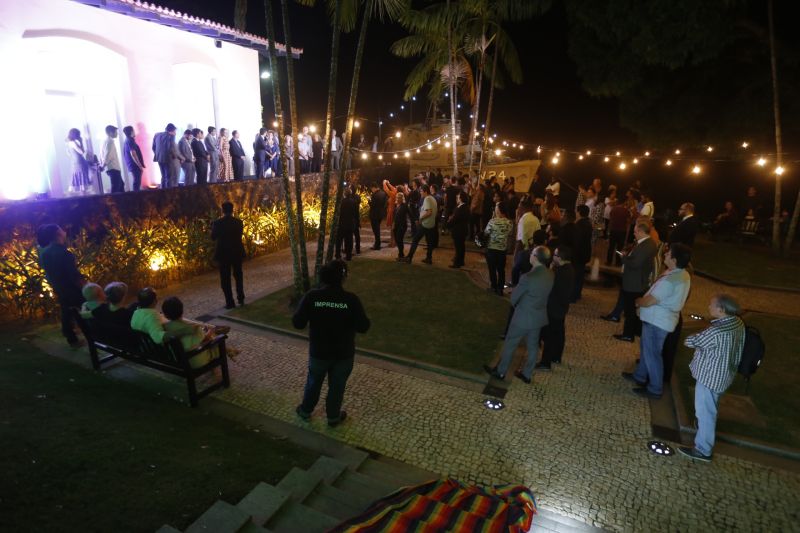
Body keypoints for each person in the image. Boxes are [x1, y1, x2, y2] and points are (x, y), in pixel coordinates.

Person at [294, 260, 370, 426]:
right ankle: (333, 417)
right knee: (337, 386)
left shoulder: (312, 297)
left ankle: (306, 410)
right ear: (343, 278)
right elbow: (363, 326)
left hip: (319, 352)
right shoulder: (351, 300)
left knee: (313, 381)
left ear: (322, 277)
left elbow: (298, 323)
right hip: (343, 354)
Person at [678, 294, 746, 462]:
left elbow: (691, 341)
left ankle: (703, 449)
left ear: (721, 310)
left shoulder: (716, 332)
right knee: (711, 407)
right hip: (725, 374)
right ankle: (702, 430)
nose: (709, 306)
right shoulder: (738, 322)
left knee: (706, 413)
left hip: (710, 376)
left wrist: (696, 337)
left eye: (711, 305)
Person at [623, 244, 692, 399]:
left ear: (674, 260)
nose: (665, 254)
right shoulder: (682, 274)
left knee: (653, 354)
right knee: (648, 350)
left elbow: (649, 301)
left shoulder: (671, 280)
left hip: (657, 322)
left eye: (669, 254)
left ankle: (655, 388)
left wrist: (638, 301)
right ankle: (640, 376)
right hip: (661, 320)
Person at [485, 246, 554, 383]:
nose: (530, 255)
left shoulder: (528, 277)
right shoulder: (550, 274)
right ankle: (527, 374)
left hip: (523, 317)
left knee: (510, 344)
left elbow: (514, 298)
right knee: (533, 346)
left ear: (535, 257)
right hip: (538, 316)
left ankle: (501, 371)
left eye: (532, 253)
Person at [37, 224, 85, 347]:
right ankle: (96, 336)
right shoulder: (65, 254)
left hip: (59, 288)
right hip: (72, 289)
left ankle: (71, 338)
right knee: (88, 308)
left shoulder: (45, 253)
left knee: (67, 311)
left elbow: (48, 272)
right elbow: (73, 275)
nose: (64, 231)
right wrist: (85, 287)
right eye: (62, 229)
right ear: (58, 233)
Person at [613, 221, 657, 342]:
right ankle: (636, 331)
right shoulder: (647, 243)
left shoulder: (646, 245)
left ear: (642, 232)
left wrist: (624, 258)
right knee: (634, 309)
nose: (634, 234)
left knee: (630, 311)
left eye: (636, 231)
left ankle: (628, 334)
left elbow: (635, 263)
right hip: (637, 281)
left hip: (634, 283)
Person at [536, 245, 575, 370]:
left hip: (554, 308)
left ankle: (545, 362)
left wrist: (551, 269)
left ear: (560, 257)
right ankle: (556, 356)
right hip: (561, 307)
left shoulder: (560, 272)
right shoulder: (569, 269)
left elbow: (550, 285)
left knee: (549, 336)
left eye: (555, 255)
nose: (552, 257)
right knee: (558, 333)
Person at [211, 202, 246, 309]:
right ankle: (241, 298)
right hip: (236, 252)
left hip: (224, 254)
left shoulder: (217, 223)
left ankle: (230, 302)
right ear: (232, 210)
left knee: (225, 279)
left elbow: (213, 237)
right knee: (238, 276)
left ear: (222, 210)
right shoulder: (238, 222)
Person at [403, 184, 438, 265]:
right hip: (431, 224)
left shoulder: (427, 199)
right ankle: (429, 259)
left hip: (425, 224)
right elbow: (435, 212)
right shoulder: (433, 198)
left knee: (415, 240)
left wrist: (420, 218)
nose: (420, 193)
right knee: (429, 243)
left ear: (425, 191)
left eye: (421, 191)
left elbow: (429, 212)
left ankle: (409, 257)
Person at [484, 202, 514, 295]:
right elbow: (510, 233)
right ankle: (500, 289)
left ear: (499, 210)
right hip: (502, 249)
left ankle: (493, 286)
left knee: (492, 269)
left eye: (496, 207)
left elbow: (486, 233)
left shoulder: (492, 221)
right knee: (501, 269)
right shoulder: (509, 222)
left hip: (492, 248)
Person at [511, 199, 541, 286]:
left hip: (523, 250)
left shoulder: (523, 219)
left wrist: (516, 254)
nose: (518, 209)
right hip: (534, 250)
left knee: (519, 270)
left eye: (519, 207)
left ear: (523, 208)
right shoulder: (536, 219)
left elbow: (520, 239)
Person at [571, 204, 593, 302]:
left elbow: (577, 241)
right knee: (579, 275)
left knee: (576, 275)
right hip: (584, 253)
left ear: (579, 212)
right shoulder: (588, 223)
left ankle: (573, 295)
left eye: (576, 211)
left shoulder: (580, 225)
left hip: (578, 254)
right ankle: (577, 293)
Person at [447, 191, 470, 268]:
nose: (457, 198)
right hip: (460, 230)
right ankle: (460, 261)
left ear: (461, 198)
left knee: (459, 247)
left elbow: (456, 218)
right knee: (461, 247)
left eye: (458, 197)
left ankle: (457, 263)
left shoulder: (463, 207)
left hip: (459, 230)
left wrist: (449, 223)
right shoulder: (461, 206)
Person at [335, 188, 358, 261]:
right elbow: (356, 214)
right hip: (350, 224)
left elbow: (338, 213)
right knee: (349, 240)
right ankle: (348, 255)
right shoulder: (354, 202)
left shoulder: (341, 202)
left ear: (344, 194)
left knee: (339, 240)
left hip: (342, 224)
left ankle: (338, 255)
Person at [152, 123, 178, 188]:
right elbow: (171, 148)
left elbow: (153, 147)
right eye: (175, 131)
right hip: (168, 159)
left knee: (163, 176)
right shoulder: (171, 136)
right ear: (172, 131)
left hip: (159, 158)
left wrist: (158, 154)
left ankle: (162, 191)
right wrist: (175, 156)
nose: (175, 133)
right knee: (169, 177)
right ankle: (167, 194)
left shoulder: (157, 134)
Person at [66, 128, 91, 195]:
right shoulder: (73, 143)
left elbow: (68, 154)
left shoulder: (68, 143)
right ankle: (83, 196)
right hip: (79, 162)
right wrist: (81, 142)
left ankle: (82, 195)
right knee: (82, 183)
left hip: (74, 163)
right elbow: (82, 151)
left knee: (77, 180)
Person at [100, 125, 124, 193]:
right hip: (113, 167)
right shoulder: (110, 141)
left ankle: (123, 202)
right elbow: (108, 155)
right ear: (111, 133)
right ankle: (113, 202)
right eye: (116, 132)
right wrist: (103, 165)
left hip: (111, 168)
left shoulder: (104, 141)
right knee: (116, 189)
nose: (117, 133)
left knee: (121, 186)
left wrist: (102, 164)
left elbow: (102, 154)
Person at [607, 197, 630, 266]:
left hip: (613, 230)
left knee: (611, 247)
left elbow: (610, 220)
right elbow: (628, 221)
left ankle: (609, 261)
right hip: (622, 231)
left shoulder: (613, 209)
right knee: (619, 248)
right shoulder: (626, 211)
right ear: (624, 202)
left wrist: (608, 232)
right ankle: (618, 262)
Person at [122, 126, 145, 191]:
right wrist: (139, 165)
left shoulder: (127, 140)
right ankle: (136, 198)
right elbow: (133, 154)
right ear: (131, 131)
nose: (135, 131)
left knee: (136, 182)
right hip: (134, 165)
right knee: (137, 182)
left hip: (132, 165)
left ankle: (136, 197)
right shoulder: (130, 140)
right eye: (134, 130)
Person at [369, 183, 387, 250]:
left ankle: (377, 245)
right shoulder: (383, 193)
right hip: (380, 214)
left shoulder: (374, 195)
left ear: (374, 187)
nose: (372, 190)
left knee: (376, 230)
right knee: (377, 229)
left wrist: (369, 201)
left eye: (372, 189)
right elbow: (385, 204)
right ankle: (377, 244)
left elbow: (372, 205)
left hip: (374, 215)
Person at [393, 192, 409, 260]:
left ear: (402, 198)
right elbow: (395, 216)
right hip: (396, 225)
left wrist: (415, 220)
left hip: (402, 226)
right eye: (397, 197)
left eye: (399, 198)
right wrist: (393, 224)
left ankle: (401, 255)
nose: (398, 199)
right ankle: (400, 254)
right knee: (397, 240)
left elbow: (410, 213)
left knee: (399, 239)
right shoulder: (397, 205)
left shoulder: (405, 205)